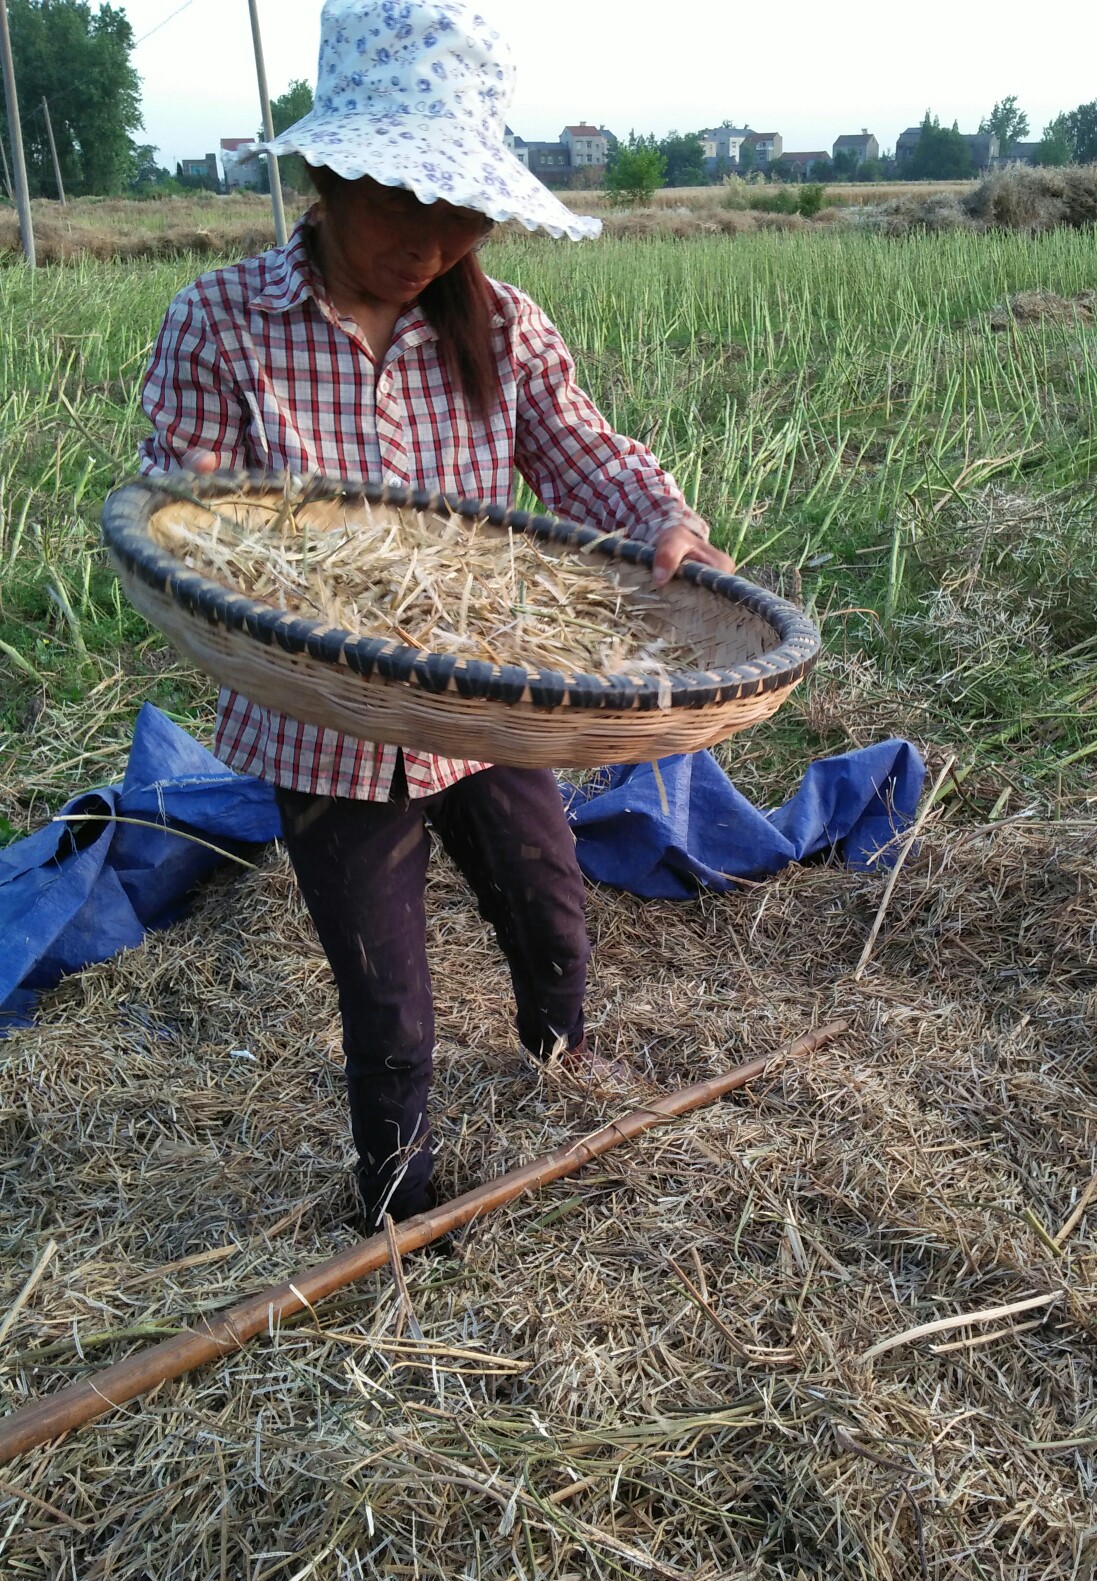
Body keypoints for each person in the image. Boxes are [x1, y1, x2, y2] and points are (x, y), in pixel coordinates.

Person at [140, 0, 733, 1234]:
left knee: (550, 903)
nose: (438, 242)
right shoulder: (223, 323)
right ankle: (401, 1198)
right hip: (327, 725)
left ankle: (563, 1067)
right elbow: (185, 519)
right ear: (332, 174)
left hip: (479, 698)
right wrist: (255, 583)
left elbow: (583, 456)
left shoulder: (500, 325)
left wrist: (663, 517)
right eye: (410, 205)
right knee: (389, 991)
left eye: (461, 215)